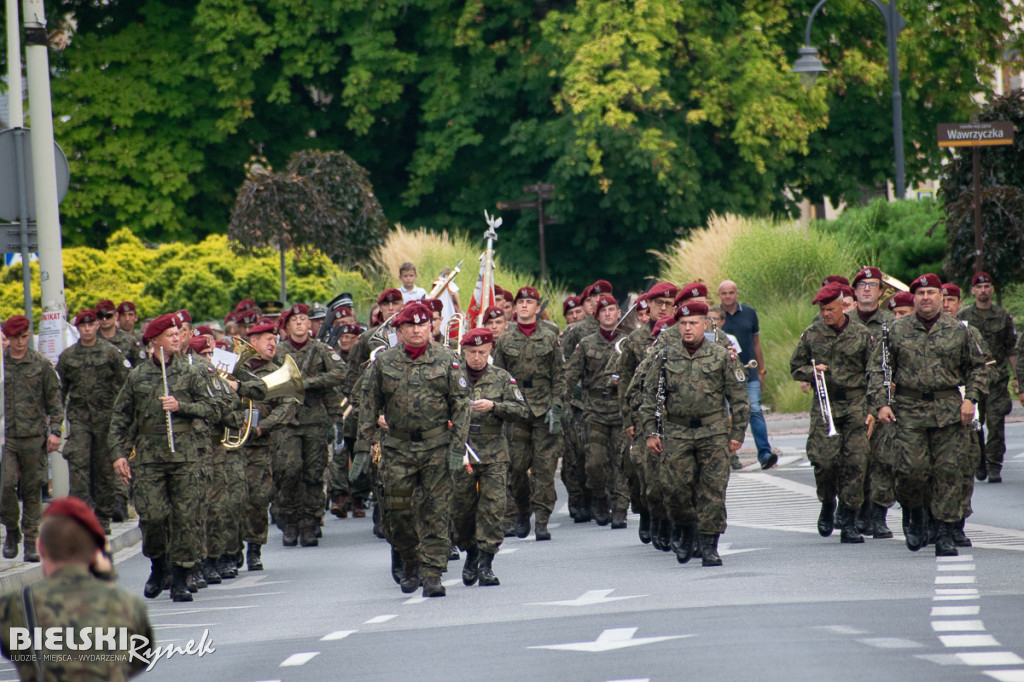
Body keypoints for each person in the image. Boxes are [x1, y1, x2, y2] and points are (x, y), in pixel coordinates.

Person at [351, 302, 470, 597]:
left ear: (431, 327)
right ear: (400, 330)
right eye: (410, 326)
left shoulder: (448, 360)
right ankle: (408, 559)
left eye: (423, 324)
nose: (417, 330)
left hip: (436, 448)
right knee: (398, 511)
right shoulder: (383, 363)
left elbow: (462, 406)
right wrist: (363, 449)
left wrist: (458, 447)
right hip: (398, 448)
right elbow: (368, 407)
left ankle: (432, 573)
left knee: (436, 511)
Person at [870, 274, 988, 557]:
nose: (926, 297)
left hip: (949, 410)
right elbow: (877, 370)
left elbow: (979, 368)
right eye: (920, 292)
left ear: (941, 297)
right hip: (908, 411)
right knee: (911, 472)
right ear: (914, 297)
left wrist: (970, 399)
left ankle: (944, 533)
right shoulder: (895, 331)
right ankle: (915, 512)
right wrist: (881, 404)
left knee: (948, 472)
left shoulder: (960, 331)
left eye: (932, 292)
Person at [110, 312, 222, 601]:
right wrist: (119, 454)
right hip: (149, 456)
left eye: (178, 333)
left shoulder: (192, 371)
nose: (177, 337)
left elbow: (214, 408)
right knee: (153, 516)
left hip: (185, 455)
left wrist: (182, 405)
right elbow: (120, 417)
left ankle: (182, 576)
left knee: (186, 518)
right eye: (170, 334)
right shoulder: (137, 376)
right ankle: (158, 563)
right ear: (154, 340)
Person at [640, 302, 749, 566]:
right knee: (676, 490)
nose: (688, 328)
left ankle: (709, 545)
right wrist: (651, 432)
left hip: (713, 432)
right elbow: (650, 396)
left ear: (705, 325)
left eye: (693, 323)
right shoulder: (664, 356)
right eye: (683, 324)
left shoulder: (722, 356)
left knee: (712, 490)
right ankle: (684, 528)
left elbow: (739, 398)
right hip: (676, 432)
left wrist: (737, 434)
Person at [0, 497, 154, 680]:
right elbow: (139, 659)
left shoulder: (14, 606)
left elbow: (14, 652)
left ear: (41, 547)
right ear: (96, 553)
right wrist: (107, 577)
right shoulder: (129, 605)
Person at [789, 283, 875, 543]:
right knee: (824, 462)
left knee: (856, 464)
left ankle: (848, 520)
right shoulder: (812, 334)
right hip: (826, 406)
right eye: (822, 310)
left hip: (856, 404)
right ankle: (827, 501)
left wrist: (874, 408)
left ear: (843, 306)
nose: (826, 314)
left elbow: (875, 372)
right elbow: (795, 367)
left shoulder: (861, 334)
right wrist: (811, 373)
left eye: (830, 309)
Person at [454, 328, 528, 587]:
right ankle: (470, 549)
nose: (477, 357)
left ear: (490, 351)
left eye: (482, 352)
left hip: (493, 451)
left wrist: (495, 406)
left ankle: (486, 562)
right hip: (461, 452)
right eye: (472, 352)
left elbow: (521, 410)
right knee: (460, 510)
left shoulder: (501, 377)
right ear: (464, 351)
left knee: (493, 508)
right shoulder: (452, 376)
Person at [493, 287, 566, 541]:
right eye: (520, 302)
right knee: (516, 467)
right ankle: (523, 510)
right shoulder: (504, 340)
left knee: (545, 469)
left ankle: (542, 520)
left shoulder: (549, 337)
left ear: (537, 308)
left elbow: (559, 375)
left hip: (544, 409)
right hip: (517, 409)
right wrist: (500, 408)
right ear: (514, 309)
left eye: (529, 302)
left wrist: (557, 405)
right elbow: (498, 378)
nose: (524, 306)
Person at [274, 304, 346, 547]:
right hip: (287, 420)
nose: (299, 323)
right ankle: (291, 520)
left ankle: (310, 521)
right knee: (289, 471)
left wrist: (310, 382)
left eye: (303, 319)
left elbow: (340, 372)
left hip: (314, 420)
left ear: (309, 324)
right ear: (287, 325)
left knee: (314, 473)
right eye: (294, 320)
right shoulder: (279, 351)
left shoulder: (320, 349)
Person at [55, 309, 131, 534]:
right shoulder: (68, 356)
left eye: (91, 324)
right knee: (78, 464)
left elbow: (126, 384)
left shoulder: (110, 353)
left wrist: (123, 416)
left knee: (104, 468)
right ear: (78, 328)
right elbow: (59, 391)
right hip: (80, 419)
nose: (87, 329)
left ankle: (103, 515)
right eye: (82, 325)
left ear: (97, 325)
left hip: (105, 419)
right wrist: (55, 421)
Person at [617, 283, 677, 542]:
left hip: (676, 416)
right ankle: (648, 513)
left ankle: (672, 524)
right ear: (649, 306)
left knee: (675, 474)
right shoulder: (635, 340)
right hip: (645, 417)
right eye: (658, 304)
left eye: (668, 303)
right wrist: (629, 418)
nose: (663, 308)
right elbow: (624, 382)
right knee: (645, 473)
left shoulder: (682, 335)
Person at [2, 316, 64, 562]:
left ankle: (29, 542)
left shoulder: (41, 364)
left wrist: (56, 431)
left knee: (31, 489)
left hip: (32, 436)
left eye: (24, 337)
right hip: (4, 437)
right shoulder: (1, 363)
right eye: (14, 337)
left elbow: (54, 401)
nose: (19, 342)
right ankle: (11, 529)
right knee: (4, 486)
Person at [566, 295, 629, 528]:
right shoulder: (586, 344)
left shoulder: (628, 341)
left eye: (612, 309)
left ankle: (620, 509)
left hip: (622, 410)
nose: (608, 314)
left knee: (621, 461)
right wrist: (559, 403)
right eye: (603, 310)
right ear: (597, 315)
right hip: (594, 412)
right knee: (594, 463)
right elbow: (570, 375)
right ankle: (601, 497)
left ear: (618, 312)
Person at [238, 323, 295, 570]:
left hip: (260, 445)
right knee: (231, 500)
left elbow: (286, 406)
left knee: (258, 499)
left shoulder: (277, 372)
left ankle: (254, 548)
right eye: (268, 339)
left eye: (275, 339)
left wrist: (264, 426)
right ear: (253, 341)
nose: (273, 343)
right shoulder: (233, 368)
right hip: (230, 446)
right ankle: (230, 551)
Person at [848, 266, 896, 537]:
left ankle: (878, 515)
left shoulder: (892, 323)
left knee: (884, 459)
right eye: (862, 285)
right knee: (854, 461)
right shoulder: (842, 322)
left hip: (885, 401)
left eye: (872, 285)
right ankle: (855, 513)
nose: (867, 289)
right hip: (853, 401)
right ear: (854, 292)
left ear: (880, 291)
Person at [958, 272, 1017, 484]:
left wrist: (1016, 378)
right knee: (974, 425)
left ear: (992, 289)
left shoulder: (1002, 316)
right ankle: (979, 459)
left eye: (987, 286)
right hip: (973, 380)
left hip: (997, 380)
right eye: (979, 287)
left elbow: (1011, 349)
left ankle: (994, 465)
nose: (983, 290)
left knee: (996, 423)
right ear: (973, 291)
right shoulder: (964, 317)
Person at [717, 280, 777, 469]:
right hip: (724, 375)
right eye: (724, 293)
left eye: (731, 292)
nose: (728, 296)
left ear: (737, 293)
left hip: (748, 371)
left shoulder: (749, 313)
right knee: (727, 415)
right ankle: (731, 456)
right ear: (719, 295)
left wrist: (761, 371)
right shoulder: (715, 316)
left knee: (755, 411)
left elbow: (756, 344)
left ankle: (765, 454)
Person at [95, 299, 147, 367]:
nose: (104, 319)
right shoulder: (91, 340)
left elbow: (141, 368)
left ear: (116, 316)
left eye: (108, 316)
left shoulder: (130, 340)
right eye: (100, 316)